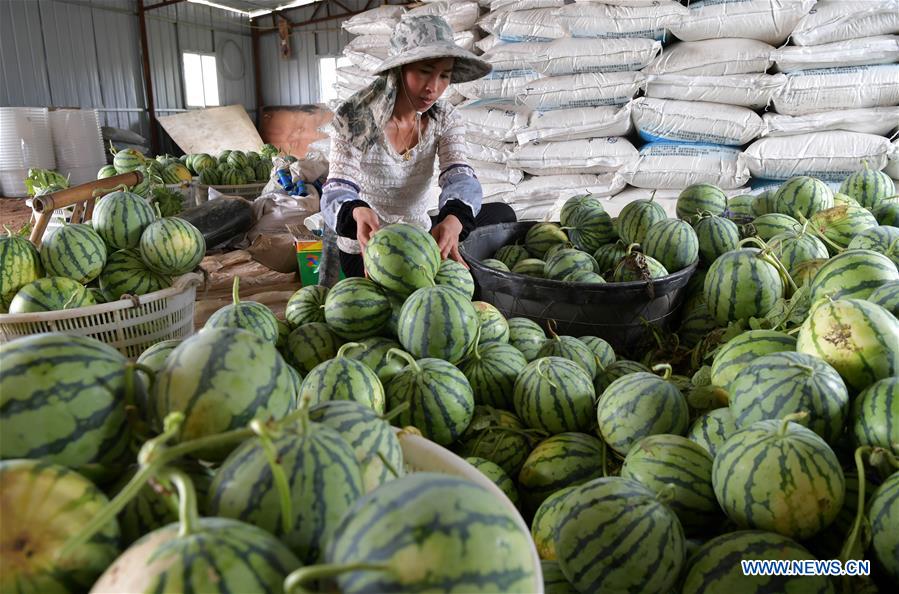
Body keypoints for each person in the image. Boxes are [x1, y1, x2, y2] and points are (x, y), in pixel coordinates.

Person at [320, 15, 517, 278]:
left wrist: (454, 218)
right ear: (399, 69)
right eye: (425, 71)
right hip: (367, 248)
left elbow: (459, 174)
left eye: (444, 75)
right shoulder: (355, 118)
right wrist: (355, 211)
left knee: (502, 214)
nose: (433, 88)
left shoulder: (444, 117)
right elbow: (337, 188)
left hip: (419, 236)